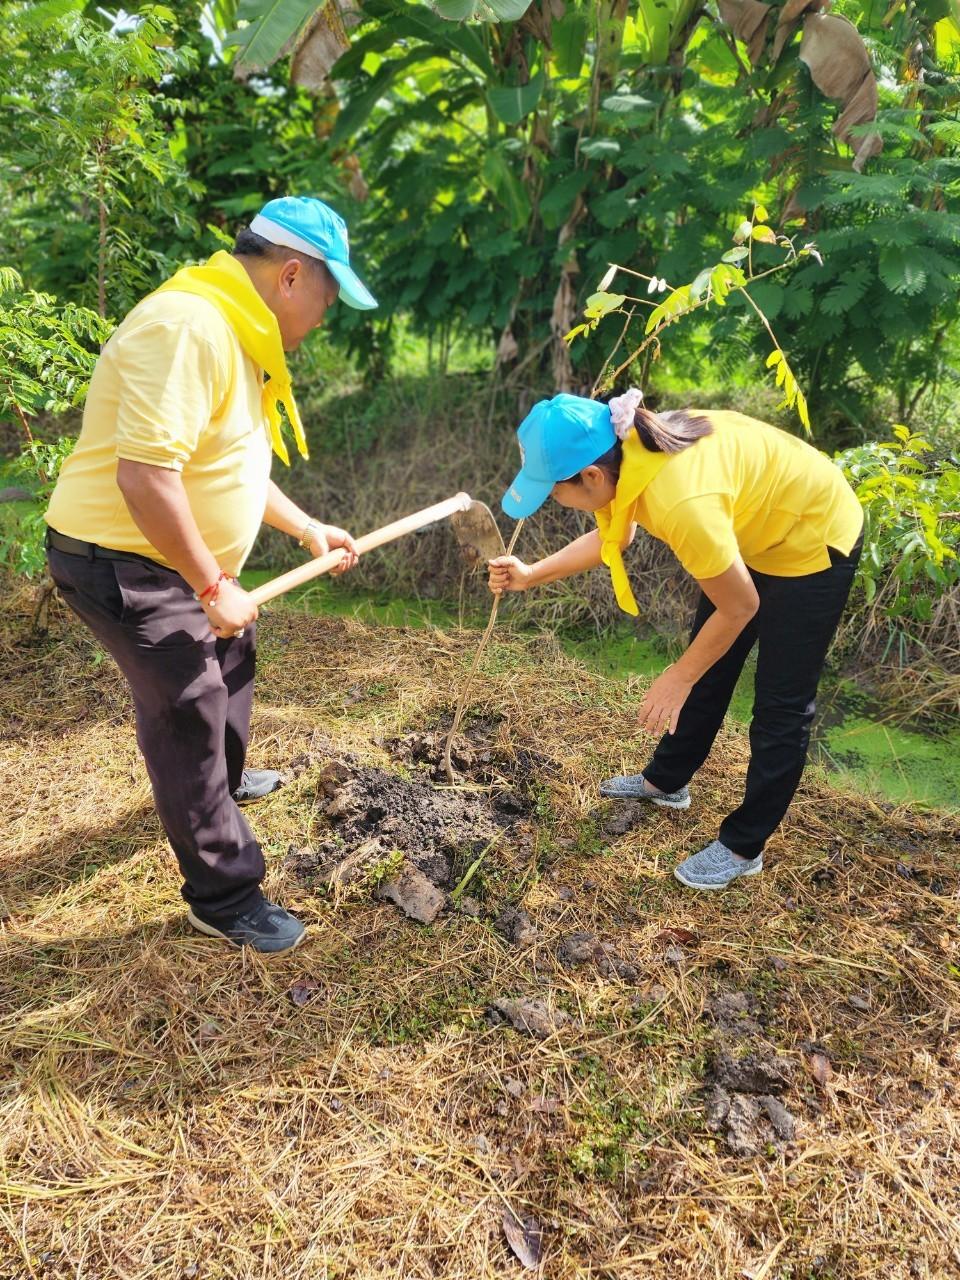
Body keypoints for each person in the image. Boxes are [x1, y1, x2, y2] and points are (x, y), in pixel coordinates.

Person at [44, 196, 377, 952]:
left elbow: (226, 461)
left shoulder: (237, 328)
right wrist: (208, 585)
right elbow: (147, 479)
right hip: (120, 560)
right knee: (187, 701)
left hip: (174, 557)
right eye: (328, 299)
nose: (325, 319)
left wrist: (305, 528)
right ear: (292, 276)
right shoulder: (189, 327)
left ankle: (219, 791)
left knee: (233, 653)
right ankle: (224, 895)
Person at [489, 390, 864, 890]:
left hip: (813, 537)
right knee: (707, 663)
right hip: (752, 526)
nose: (553, 501)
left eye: (554, 491)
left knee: (780, 704)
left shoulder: (681, 499)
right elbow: (612, 540)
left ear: (592, 477)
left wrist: (677, 676)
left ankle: (744, 844)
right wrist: (531, 574)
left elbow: (741, 607)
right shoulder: (626, 450)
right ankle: (667, 782)